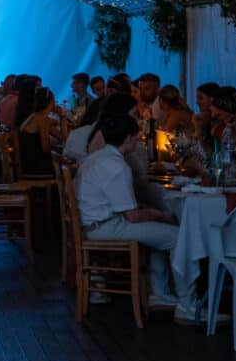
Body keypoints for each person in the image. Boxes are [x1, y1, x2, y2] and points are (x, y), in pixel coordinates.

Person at [75, 114, 203, 323]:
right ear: (128, 139)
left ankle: (159, 293)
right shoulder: (118, 167)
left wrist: (153, 214)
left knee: (157, 230)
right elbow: (133, 216)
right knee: (179, 236)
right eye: (136, 137)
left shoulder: (97, 158)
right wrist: (161, 214)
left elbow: (124, 205)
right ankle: (188, 305)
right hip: (106, 227)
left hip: (94, 223)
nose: (138, 141)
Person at [17, 87, 56, 175]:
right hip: (36, 167)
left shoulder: (33, 115)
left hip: (26, 164)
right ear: (51, 102)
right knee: (69, 167)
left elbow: (61, 137)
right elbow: (46, 149)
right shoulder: (42, 119)